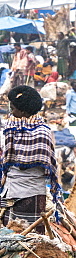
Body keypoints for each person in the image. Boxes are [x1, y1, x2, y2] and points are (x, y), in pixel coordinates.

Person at [0, 86, 59, 224]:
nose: (12, 112)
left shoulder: (42, 133)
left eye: (14, 109)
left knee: (30, 237)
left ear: (23, 111)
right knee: (10, 235)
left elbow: (43, 165)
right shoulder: (11, 128)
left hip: (31, 194)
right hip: (10, 191)